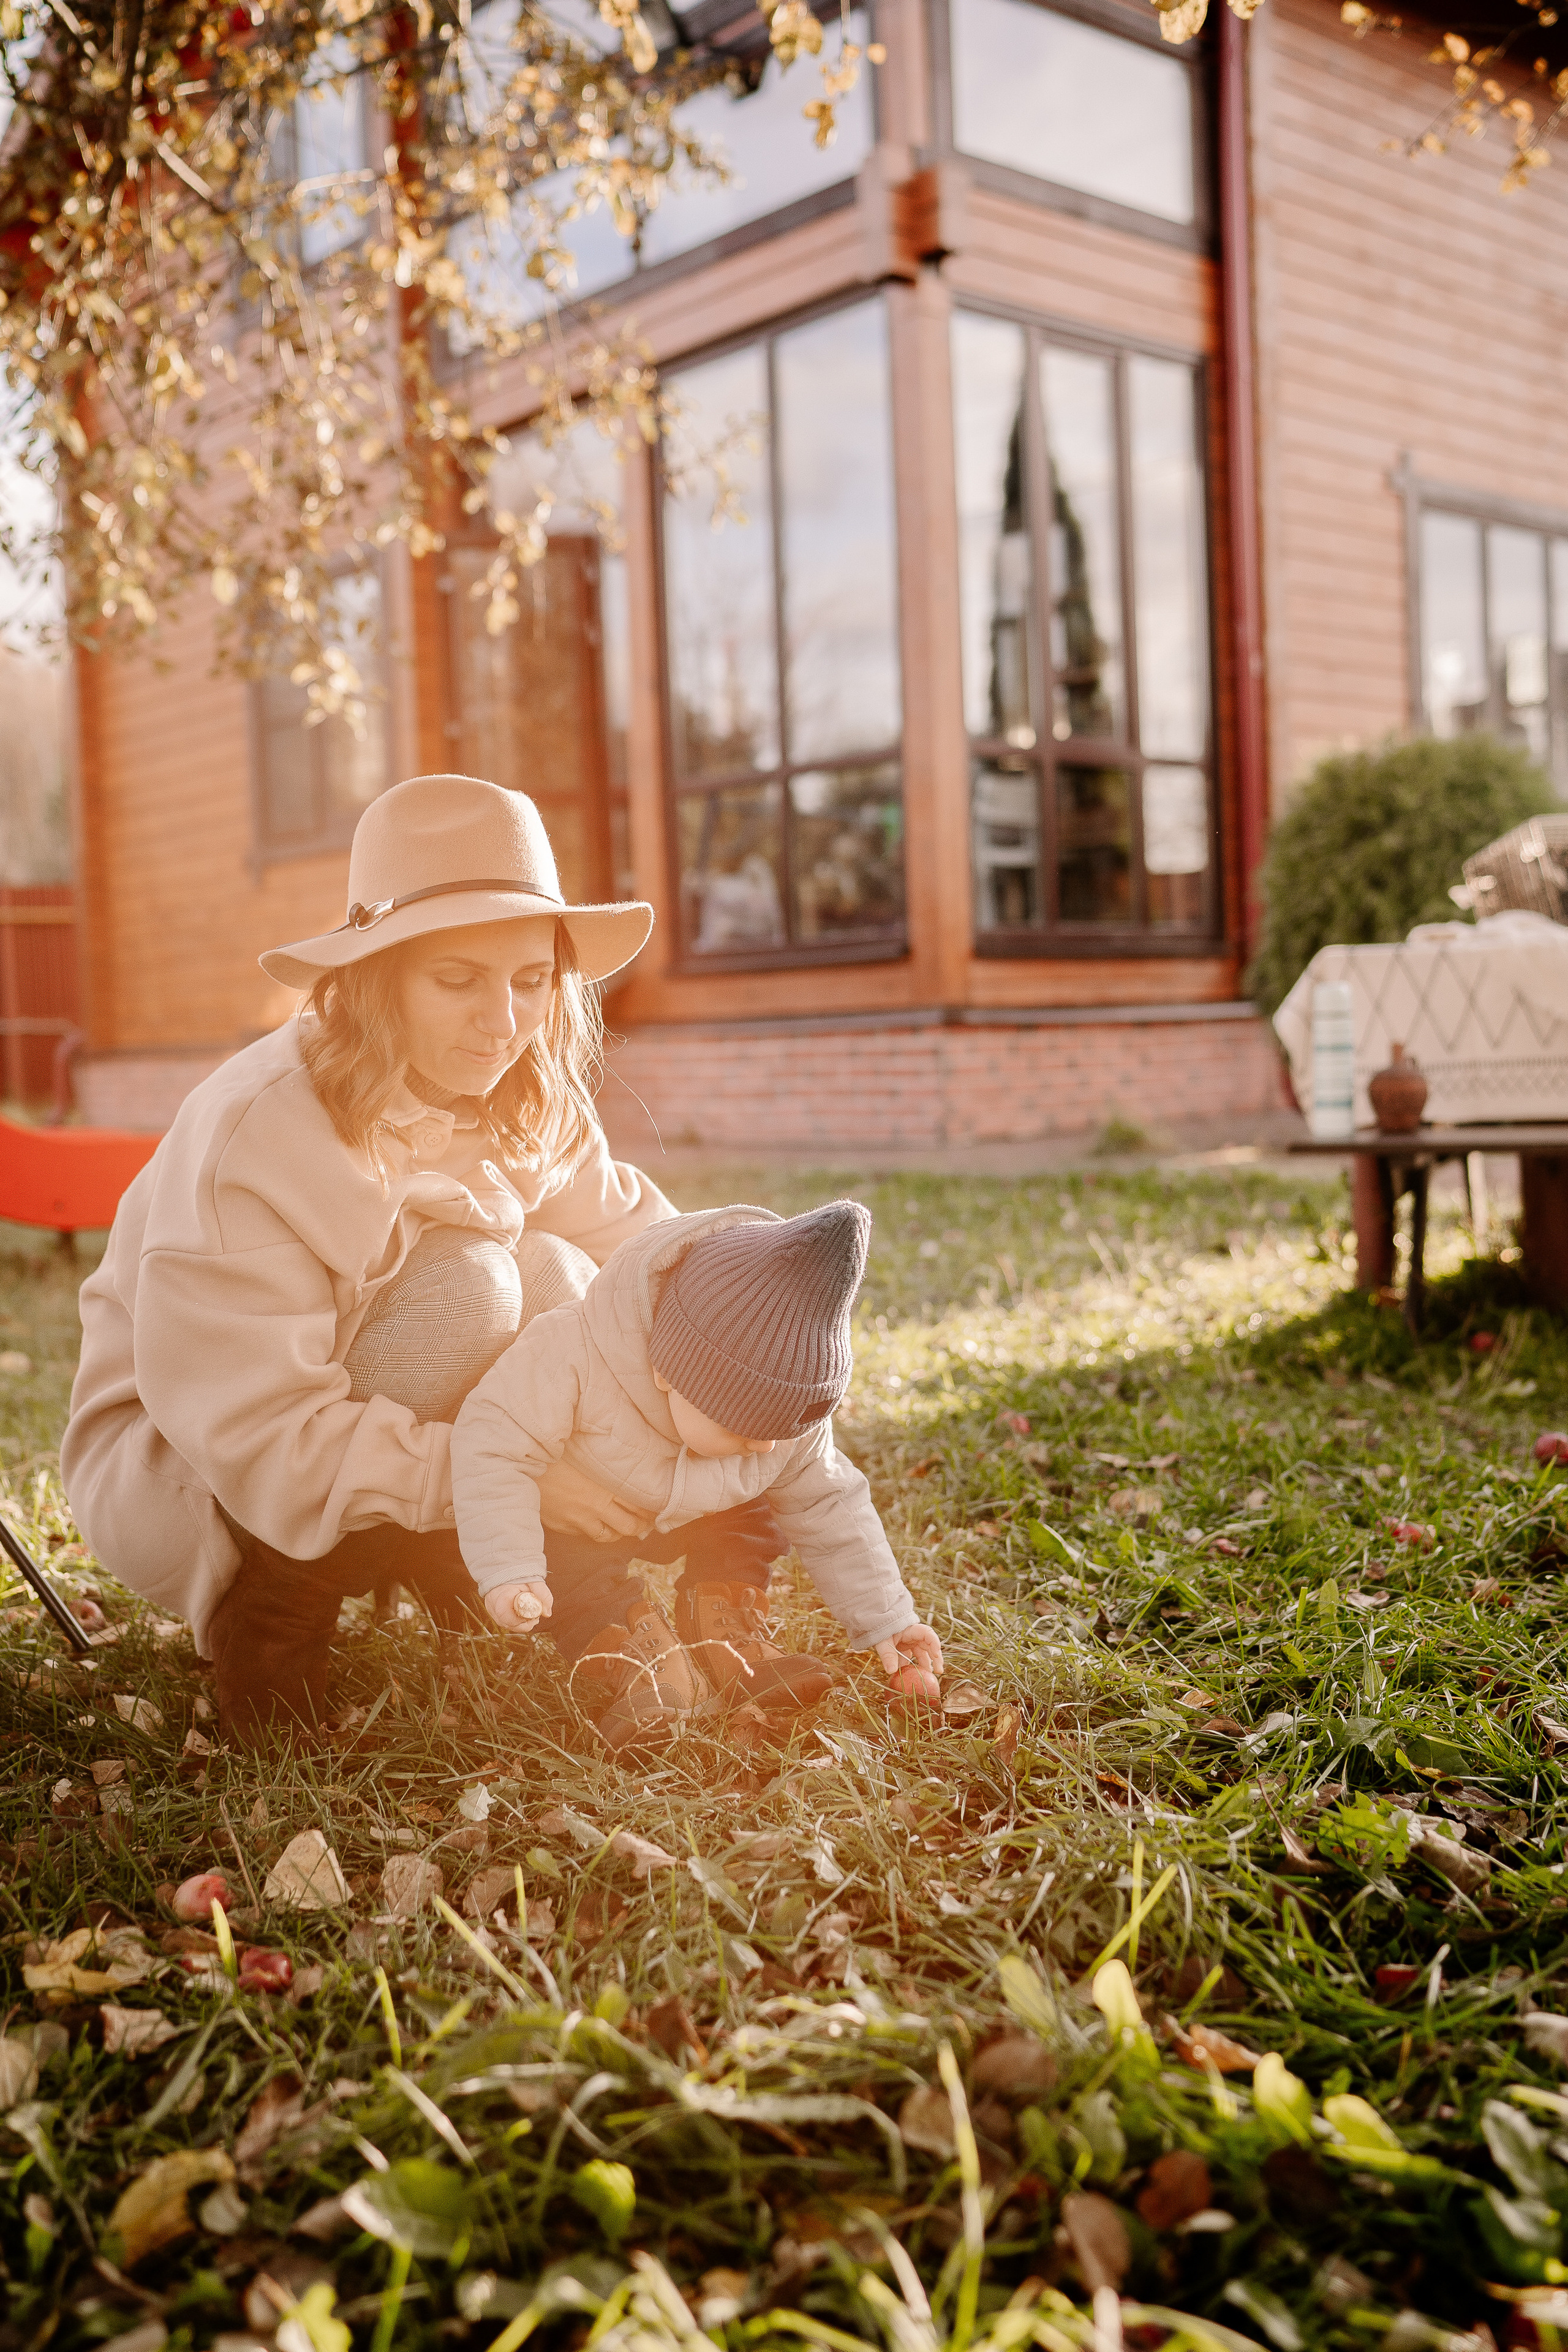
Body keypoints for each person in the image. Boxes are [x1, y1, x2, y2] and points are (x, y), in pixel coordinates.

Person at [58, 773, 788, 1746]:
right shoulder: (262, 1130)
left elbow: (642, 1259)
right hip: (203, 1472)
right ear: (376, 976)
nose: (503, 1022)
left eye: (532, 982)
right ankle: (272, 1621)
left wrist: (769, 1343)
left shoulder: (519, 1090)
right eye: (457, 980)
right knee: (477, 1288)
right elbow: (258, 1425)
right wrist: (517, 1481)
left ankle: (561, 1605)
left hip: (401, 1435)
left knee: (570, 1284)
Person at [450, 1199, 944, 1749]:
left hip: (696, 1509)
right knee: (570, 1567)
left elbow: (830, 1503)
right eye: (746, 1425)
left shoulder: (777, 1426)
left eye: (785, 1427)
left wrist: (890, 1620)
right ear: (667, 1371)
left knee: (754, 1510)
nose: (767, 1443)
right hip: (586, 1514)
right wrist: (510, 1565)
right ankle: (634, 1654)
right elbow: (492, 1441)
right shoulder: (571, 1354)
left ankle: (726, 1625)